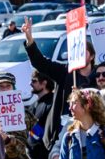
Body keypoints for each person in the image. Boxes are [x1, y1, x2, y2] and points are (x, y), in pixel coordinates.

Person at [23, 17, 98, 147]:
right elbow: (40, 63)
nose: (79, 55)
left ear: (91, 56)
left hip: (92, 136)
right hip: (63, 135)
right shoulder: (65, 73)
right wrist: (30, 40)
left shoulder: (100, 77)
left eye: (83, 52)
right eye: (77, 51)